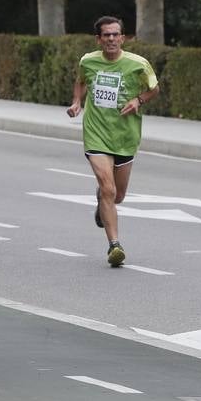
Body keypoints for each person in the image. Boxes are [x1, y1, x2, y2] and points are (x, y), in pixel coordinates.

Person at [66, 16, 160, 268]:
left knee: (116, 195)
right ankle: (114, 246)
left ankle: (102, 201)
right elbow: (81, 81)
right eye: (106, 35)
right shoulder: (88, 60)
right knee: (108, 189)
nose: (111, 39)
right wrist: (77, 102)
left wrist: (139, 100)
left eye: (115, 34)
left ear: (123, 38)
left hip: (125, 137)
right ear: (99, 39)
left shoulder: (138, 64)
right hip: (96, 134)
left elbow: (154, 89)